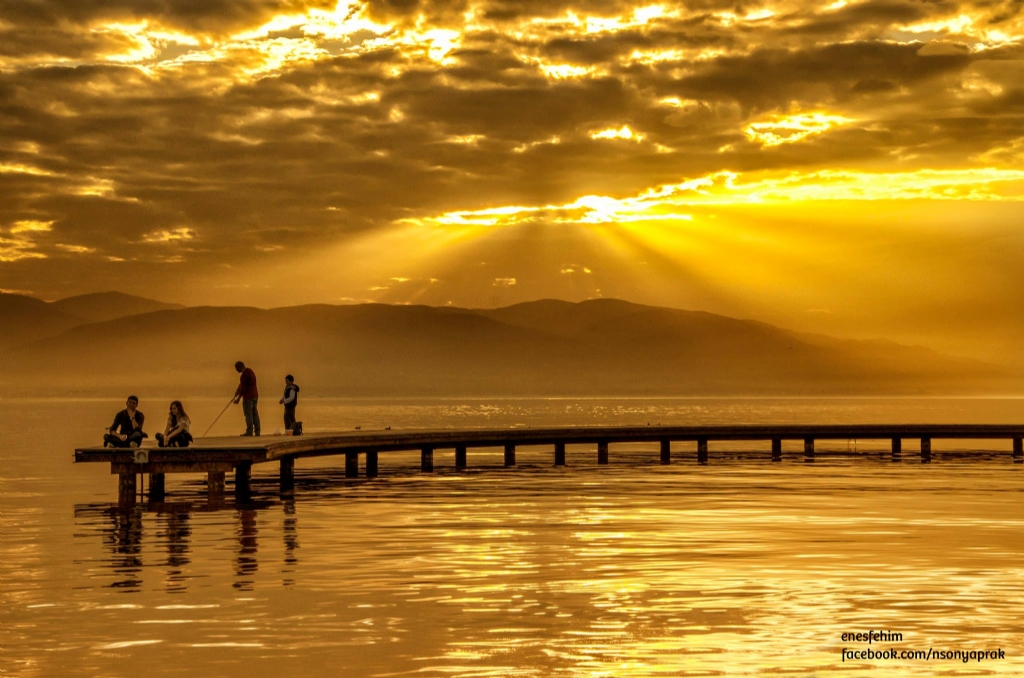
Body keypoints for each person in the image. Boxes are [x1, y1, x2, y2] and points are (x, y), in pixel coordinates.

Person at [233, 361, 260, 436]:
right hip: (255, 396)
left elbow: (243, 388)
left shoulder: (244, 375)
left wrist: (238, 398)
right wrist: (237, 391)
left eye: (236, 368)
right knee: (255, 413)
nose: (236, 370)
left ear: (239, 366)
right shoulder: (250, 371)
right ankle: (257, 431)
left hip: (248, 397)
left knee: (248, 414)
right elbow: (242, 384)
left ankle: (249, 431)